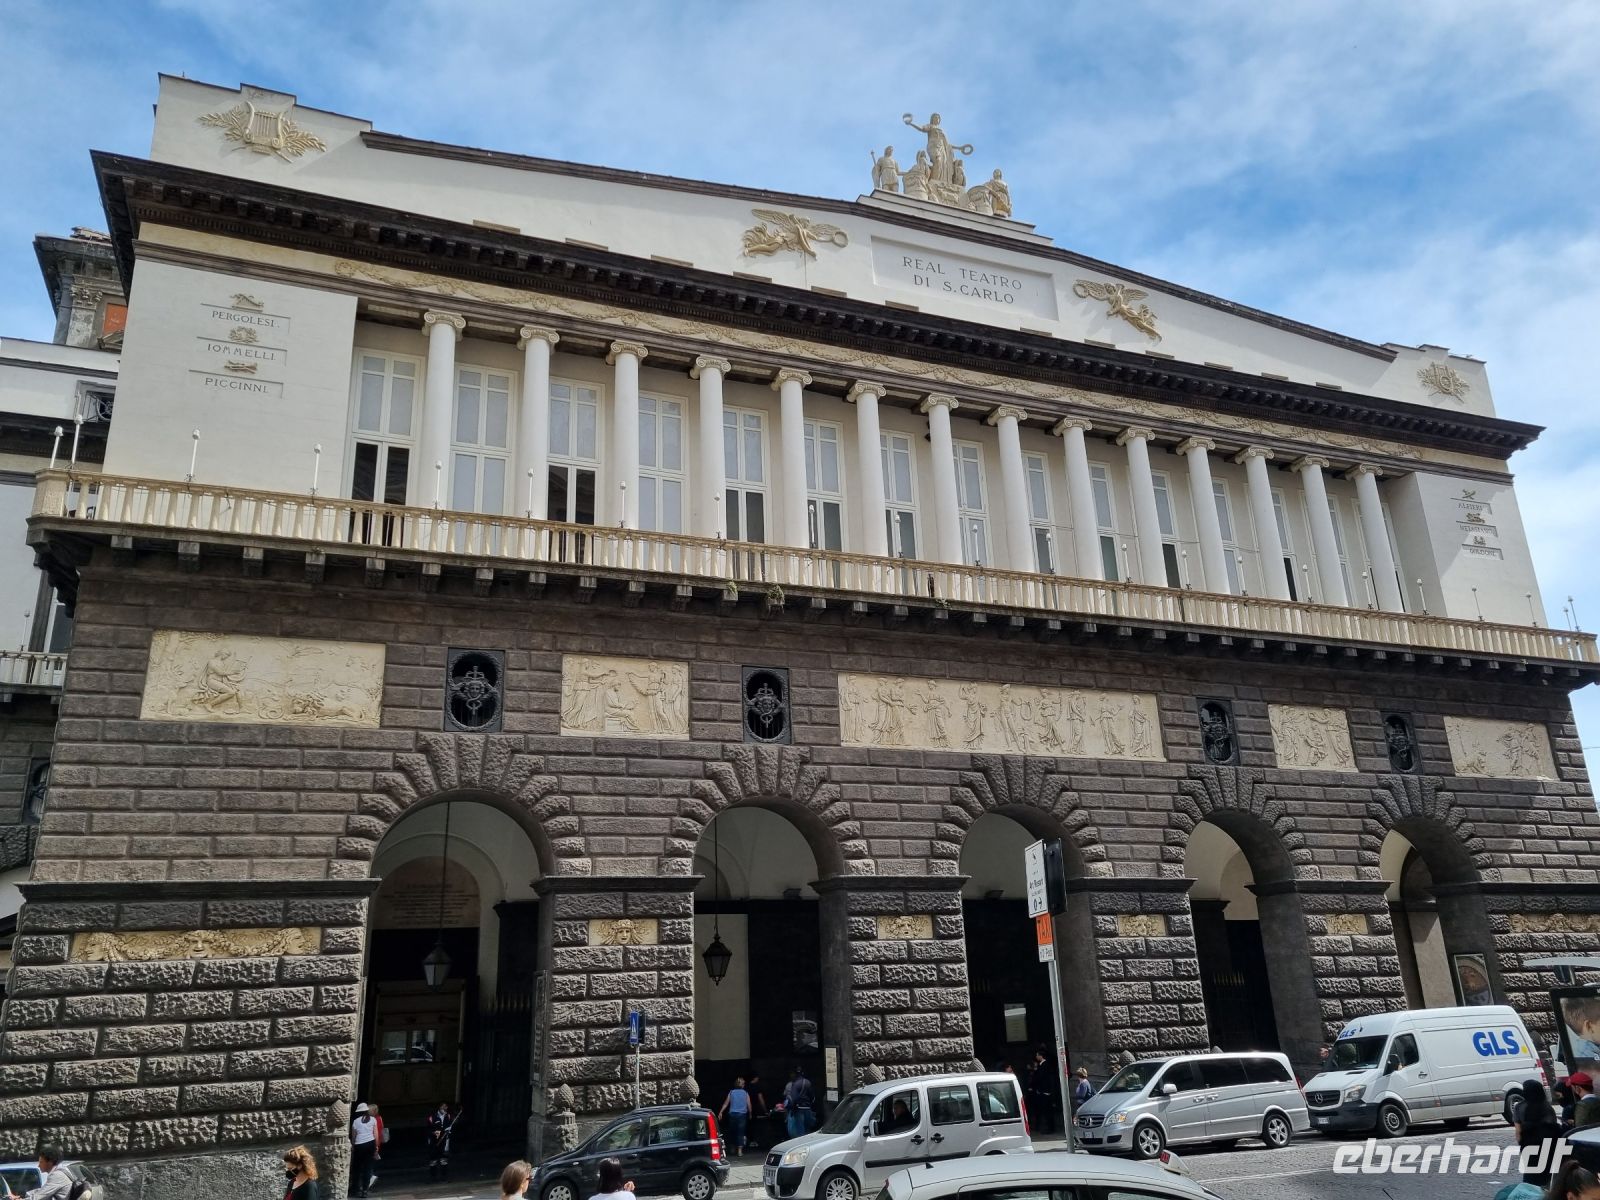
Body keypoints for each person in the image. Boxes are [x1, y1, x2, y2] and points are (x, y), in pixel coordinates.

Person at [1516, 1079, 1565, 1187]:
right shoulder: (1547, 1107)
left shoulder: (1519, 1107)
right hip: (1548, 1145)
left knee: (1531, 1177)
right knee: (1548, 1175)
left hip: (1529, 1145)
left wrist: (1522, 1144)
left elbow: (1518, 1131)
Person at [6, 1146, 73, 1200]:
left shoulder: (57, 1175)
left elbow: (39, 1196)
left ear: (50, 1162)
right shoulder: (60, 1172)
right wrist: (21, 1196)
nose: (39, 1165)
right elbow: (42, 1190)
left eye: (41, 1162)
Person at [349, 1101, 378, 1197]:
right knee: (368, 1168)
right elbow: (376, 1134)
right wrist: (376, 1146)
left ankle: (355, 1189)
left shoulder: (355, 1121)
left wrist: (353, 1146)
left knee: (357, 1168)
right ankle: (365, 1190)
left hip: (359, 1145)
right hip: (370, 1144)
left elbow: (354, 1136)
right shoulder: (373, 1119)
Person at [719, 1076, 752, 1157]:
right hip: (742, 1115)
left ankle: (732, 1148)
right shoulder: (745, 1093)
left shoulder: (731, 1092)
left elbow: (726, 1103)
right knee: (741, 1132)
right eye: (744, 1084)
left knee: (733, 1131)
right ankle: (739, 1151)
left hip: (732, 1114)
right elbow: (749, 1104)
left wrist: (721, 1112)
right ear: (742, 1085)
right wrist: (750, 1113)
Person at [1027, 1049, 1058, 1135]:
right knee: (1045, 1111)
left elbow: (1040, 1078)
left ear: (1041, 1056)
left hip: (1045, 1091)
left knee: (1047, 1111)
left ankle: (1050, 1128)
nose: (1036, 1057)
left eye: (1037, 1055)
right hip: (1043, 1091)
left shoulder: (1044, 1065)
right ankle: (1048, 1127)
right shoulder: (1043, 1065)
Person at [427, 1100, 459, 1181]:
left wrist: (449, 1130)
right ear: (439, 1107)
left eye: (446, 1106)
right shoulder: (432, 1117)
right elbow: (428, 1130)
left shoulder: (448, 1116)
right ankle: (433, 1177)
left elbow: (452, 1126)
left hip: (445, 1140)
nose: (445, 1108)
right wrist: (434, 1132)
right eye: (443, 1106)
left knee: (444, 1159)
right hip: (434, 1141)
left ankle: (444, 1177)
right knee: (433, 1159)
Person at [784, 1066, 816, 1138]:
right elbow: (812, 1097)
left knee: (800, 1130)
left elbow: (793, 1098)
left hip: (798, 1109)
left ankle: (801, 1142)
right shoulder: (808, 1082)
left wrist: (792, 1108)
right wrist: (809, 1104)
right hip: (807, 1108)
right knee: (807, 1128)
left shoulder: (795, 1084)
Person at [367, 1103, 387, 1191]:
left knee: (369, 1162)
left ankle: (370, 1178)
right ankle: (370, 1177)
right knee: (372, 1162)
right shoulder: (379, 1118)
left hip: (371, 1142)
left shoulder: (371, 1120)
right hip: (377, 1142)